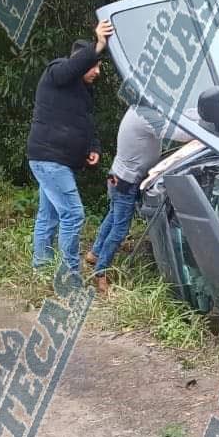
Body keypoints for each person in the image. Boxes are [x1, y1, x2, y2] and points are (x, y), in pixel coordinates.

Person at [27, 19, 114, 276]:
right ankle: (69, 275)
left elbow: (86, 123)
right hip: (48, 158)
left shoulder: (81, 92)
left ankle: (40, 267)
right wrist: (97, 45)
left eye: (99, 65)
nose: (97, 71)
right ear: (80, 61)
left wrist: (93, 146)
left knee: (49, 215)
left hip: (56, 160)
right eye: (93, 65)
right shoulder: (56, 72)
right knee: (74, 214)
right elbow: (70, 68)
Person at [86, 101, 169, 295]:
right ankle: (100, 273)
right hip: (126, 182)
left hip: (117, 176)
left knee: (113, 216)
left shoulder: (137, 109)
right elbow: (179, 133)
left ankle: (94, 253)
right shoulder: (147, 116)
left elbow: (177, 116)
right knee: (120, 229)